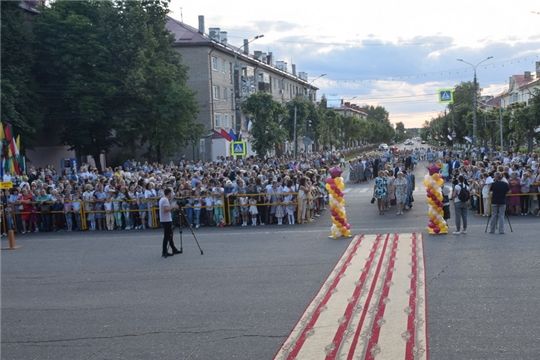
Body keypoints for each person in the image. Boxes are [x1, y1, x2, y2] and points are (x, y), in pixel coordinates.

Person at [159, 187, 181, 258]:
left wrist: (172, 209)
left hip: (165, 219)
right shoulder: (165, 200)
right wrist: (173, 207)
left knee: (169, 235)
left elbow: (166, 210)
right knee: (167, 236)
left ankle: (173, 249)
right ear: (169, 193)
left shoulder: (163, 199)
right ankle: (164, 251)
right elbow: (165, 210)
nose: (171, 194)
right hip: (166, 220)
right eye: (171, 193)